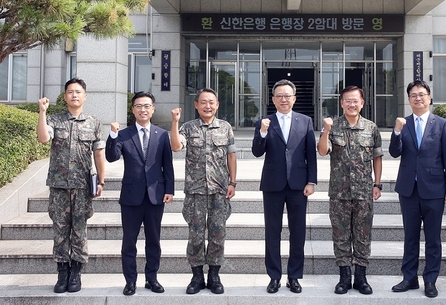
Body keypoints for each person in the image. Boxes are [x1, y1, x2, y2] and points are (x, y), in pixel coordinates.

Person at [388, 80, 446, 298]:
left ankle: (430, 279)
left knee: (433, 237)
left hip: (435, 188)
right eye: (413, 95)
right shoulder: (403, 123)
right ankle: (409, 278)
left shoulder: (441, 124)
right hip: (409, 189)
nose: (418, 98)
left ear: (429, 97)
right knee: (410, 236)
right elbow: (394, 152)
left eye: (422, 94)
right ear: (408, 99)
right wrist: (397, 132)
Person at [37, 78, 105, 294]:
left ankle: (76, 272)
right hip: (58, 187)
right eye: (70, 92)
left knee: (79, 230)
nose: (74, 95)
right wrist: (42, 112)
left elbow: (98, 154)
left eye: (78, 92)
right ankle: (62, 271)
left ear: (85, 96)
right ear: (64, 96)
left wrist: (101, 181)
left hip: (82, 186)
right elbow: (43, 138)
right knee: (60, 230)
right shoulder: (55, 120)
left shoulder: (94, 122)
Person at [105, 91, 175, 296]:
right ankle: (130, 281)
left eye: (147, 106)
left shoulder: (161, 134)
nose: (143, 109)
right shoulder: (124, 134)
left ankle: (151, 279)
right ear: (133, 109)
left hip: (155, 196)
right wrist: (112, 135)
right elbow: (111, 157)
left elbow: (167, 165)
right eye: (138, 106)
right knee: (129, 241)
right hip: (131, 197)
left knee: (154, 240)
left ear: (152, 109)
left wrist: (169, 189)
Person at [251, 79, 317, 294]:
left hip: (298, 184)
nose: (283, 99)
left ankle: (294, 277)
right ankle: (274, 276)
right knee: (272, 232)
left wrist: (311, 181)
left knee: (298, 233)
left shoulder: (305, 121)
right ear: (273, 99)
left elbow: (311, 154)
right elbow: (257, 152)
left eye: (287, 95)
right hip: (273, 184)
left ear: (294, 98)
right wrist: (261, 132)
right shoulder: (265, 122)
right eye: (279, 95)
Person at [170, 88, 237, 295]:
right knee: (196, 236)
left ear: (217, 105)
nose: (208, 106)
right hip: (195, 192)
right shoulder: (188, 127)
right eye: (203, 102)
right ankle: (197, 276)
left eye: (212, 102)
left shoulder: (225, 128)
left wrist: (233, 182)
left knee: (218, 234)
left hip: (219, 190)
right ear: (196, 105)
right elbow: (176, 147)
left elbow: (231, 157)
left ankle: (214, 276)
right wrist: (174, 122)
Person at [318, 86, 383, 295]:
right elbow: (322, 151)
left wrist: (377, 183)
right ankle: (344, 277)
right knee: (341, 235)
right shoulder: (333, 126)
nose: (352, 104)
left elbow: (377, 157)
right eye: (348, 101)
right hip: (339, 193)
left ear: (362, 103)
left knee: (363, 235)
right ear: (342, 103)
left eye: (355, 101)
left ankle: (361, 277)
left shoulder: (371, 128)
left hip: (364, 192)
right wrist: (326, 130)